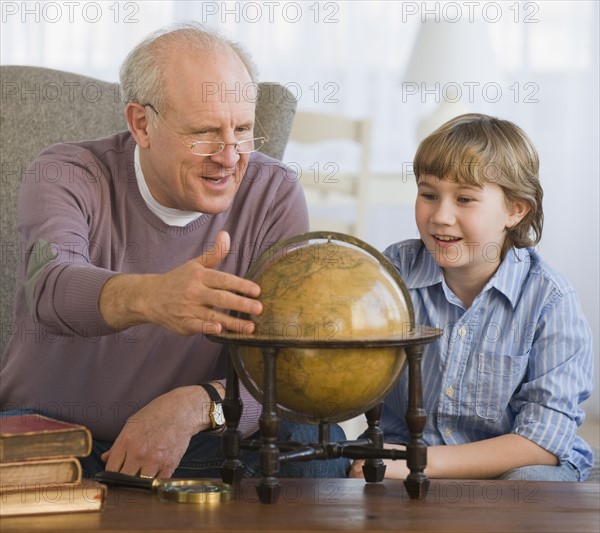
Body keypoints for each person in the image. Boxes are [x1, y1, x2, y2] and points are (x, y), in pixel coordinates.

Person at [0, 23, 349, 480]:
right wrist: (154, 297)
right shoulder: (66, 172)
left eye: (243, 129)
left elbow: (281, 365)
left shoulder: (273, 191)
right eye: (204, 132)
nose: (230, 156)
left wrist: (196, 406)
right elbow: (50, 288)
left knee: (323, 449)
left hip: (193, 441)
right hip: (60, 438)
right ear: (141, 123)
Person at [350, 113, 594, 481]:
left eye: (465, 198)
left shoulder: (550, 301)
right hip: (404, 451)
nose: (441, 216)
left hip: (514, 463)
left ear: (515, 210)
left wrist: (419, 462)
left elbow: (542, 440)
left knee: (526, 487)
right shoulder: (392, 273)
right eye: (428, 194)